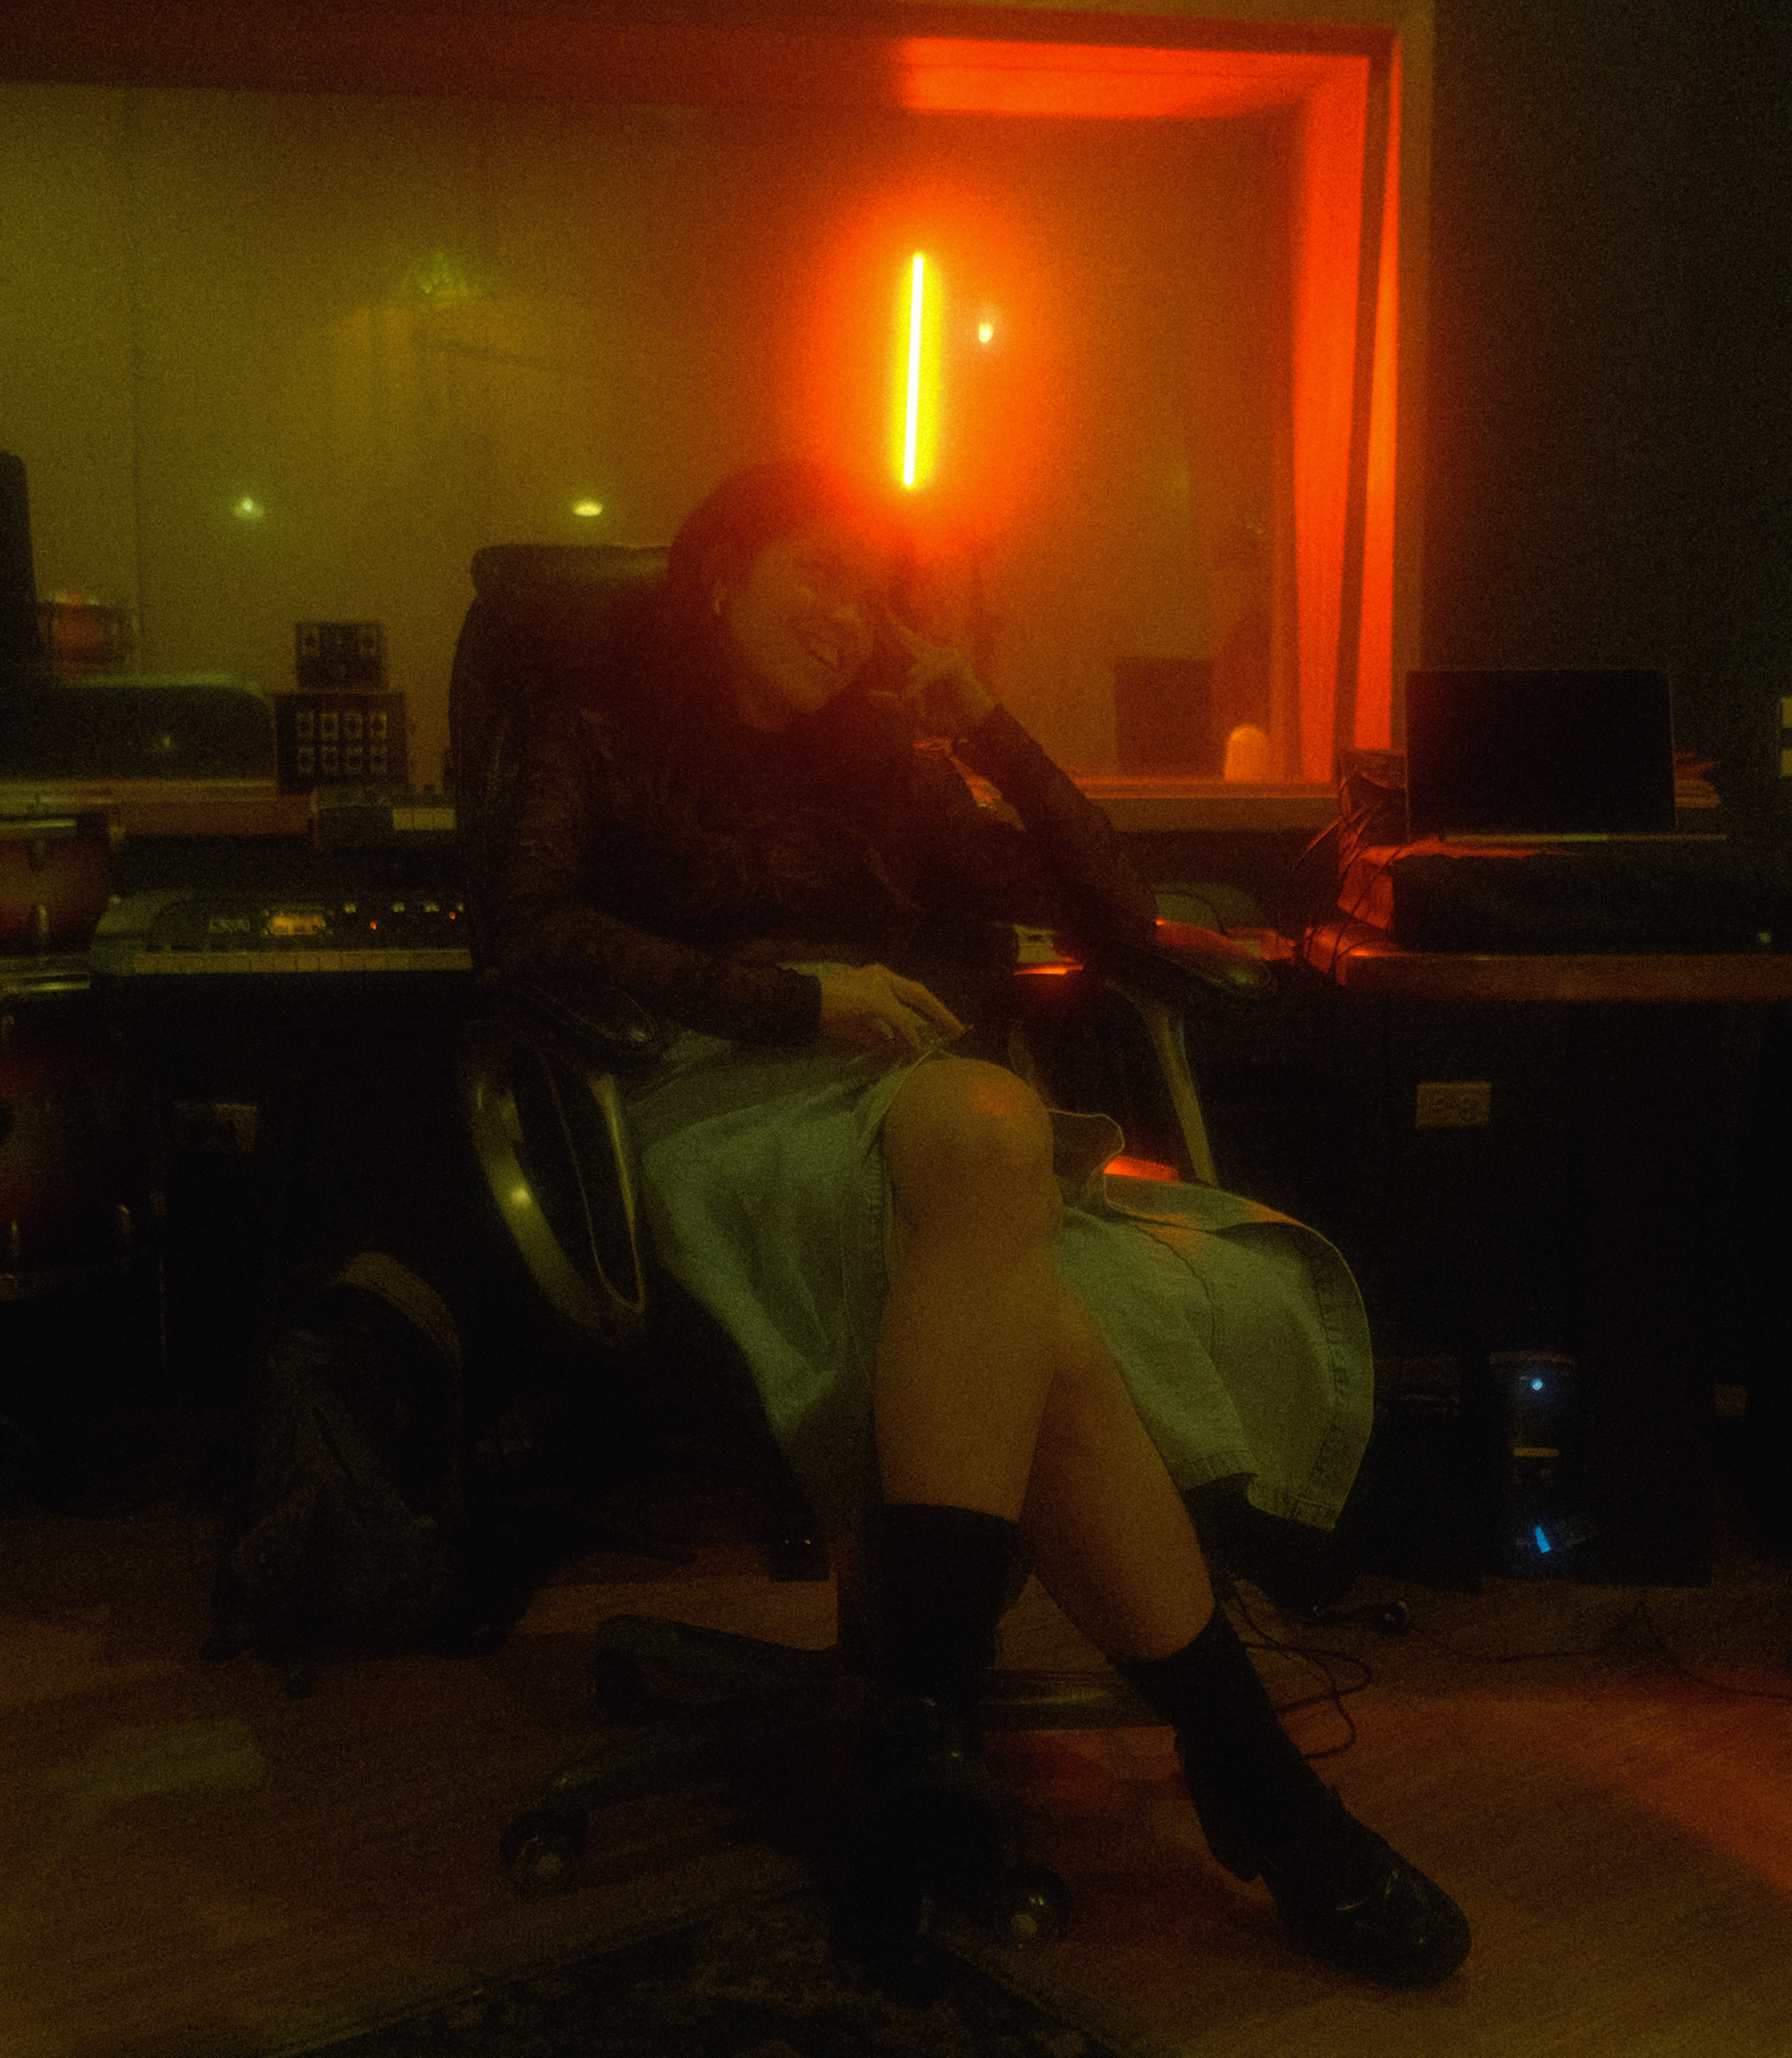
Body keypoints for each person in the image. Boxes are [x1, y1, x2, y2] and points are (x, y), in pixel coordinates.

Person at [490, 458, 1468, 1986]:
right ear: (723, 575)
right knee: (1042, 1312)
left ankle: (925, 1723)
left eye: (874, 593)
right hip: (706, 1104)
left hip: (905, 1106)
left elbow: (1112, 916)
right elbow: (524, 927)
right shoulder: (600, 729)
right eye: (818, 571)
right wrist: (791, 999)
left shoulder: (883, 763)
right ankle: (1261, 1789)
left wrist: (986, 724)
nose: (849, 614)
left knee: (992, 1133)